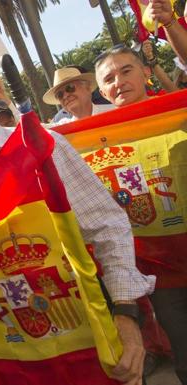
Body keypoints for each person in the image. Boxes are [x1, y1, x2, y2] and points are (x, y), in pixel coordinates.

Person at [0, 54, 155, 385]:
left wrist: (126, 315)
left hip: (94, 345)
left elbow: (107, 227)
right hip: (20, 364)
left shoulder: (42, 147)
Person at [96, 46, 187, 385]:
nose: (118, 81)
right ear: (102, 91)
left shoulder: (177, 111)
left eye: (126, 71)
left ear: (146, 73)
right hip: (159, 274)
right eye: (109, 78)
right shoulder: (88, 139)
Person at [43, 66, 114, 123]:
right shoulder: (60, 131)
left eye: (70, 88)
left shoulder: (115, 112)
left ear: (87, 88)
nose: (65, 96)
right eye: (60, 95)